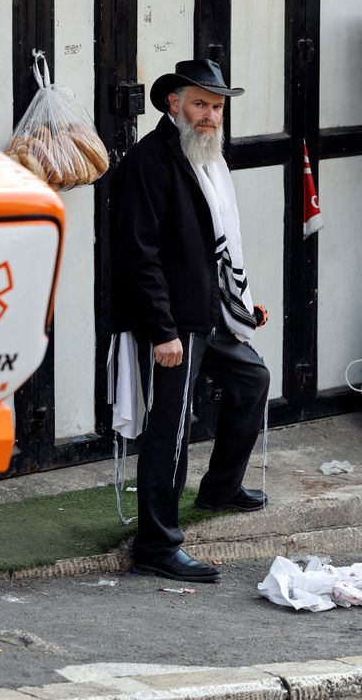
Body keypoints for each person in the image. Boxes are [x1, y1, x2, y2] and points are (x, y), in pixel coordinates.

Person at [109, 59, 270, 583]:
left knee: (252, 380)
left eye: (217, 107)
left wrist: (240, 304)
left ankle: (220, 487)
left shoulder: (207, 159)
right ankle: (156, 544)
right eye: (200, 104)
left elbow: (219, 245)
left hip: (210, 312)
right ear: (173, 104)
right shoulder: (149, 161)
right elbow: (139, 255)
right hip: (173, 321)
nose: (210, 116)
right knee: (171, 430)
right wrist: (162, 331)